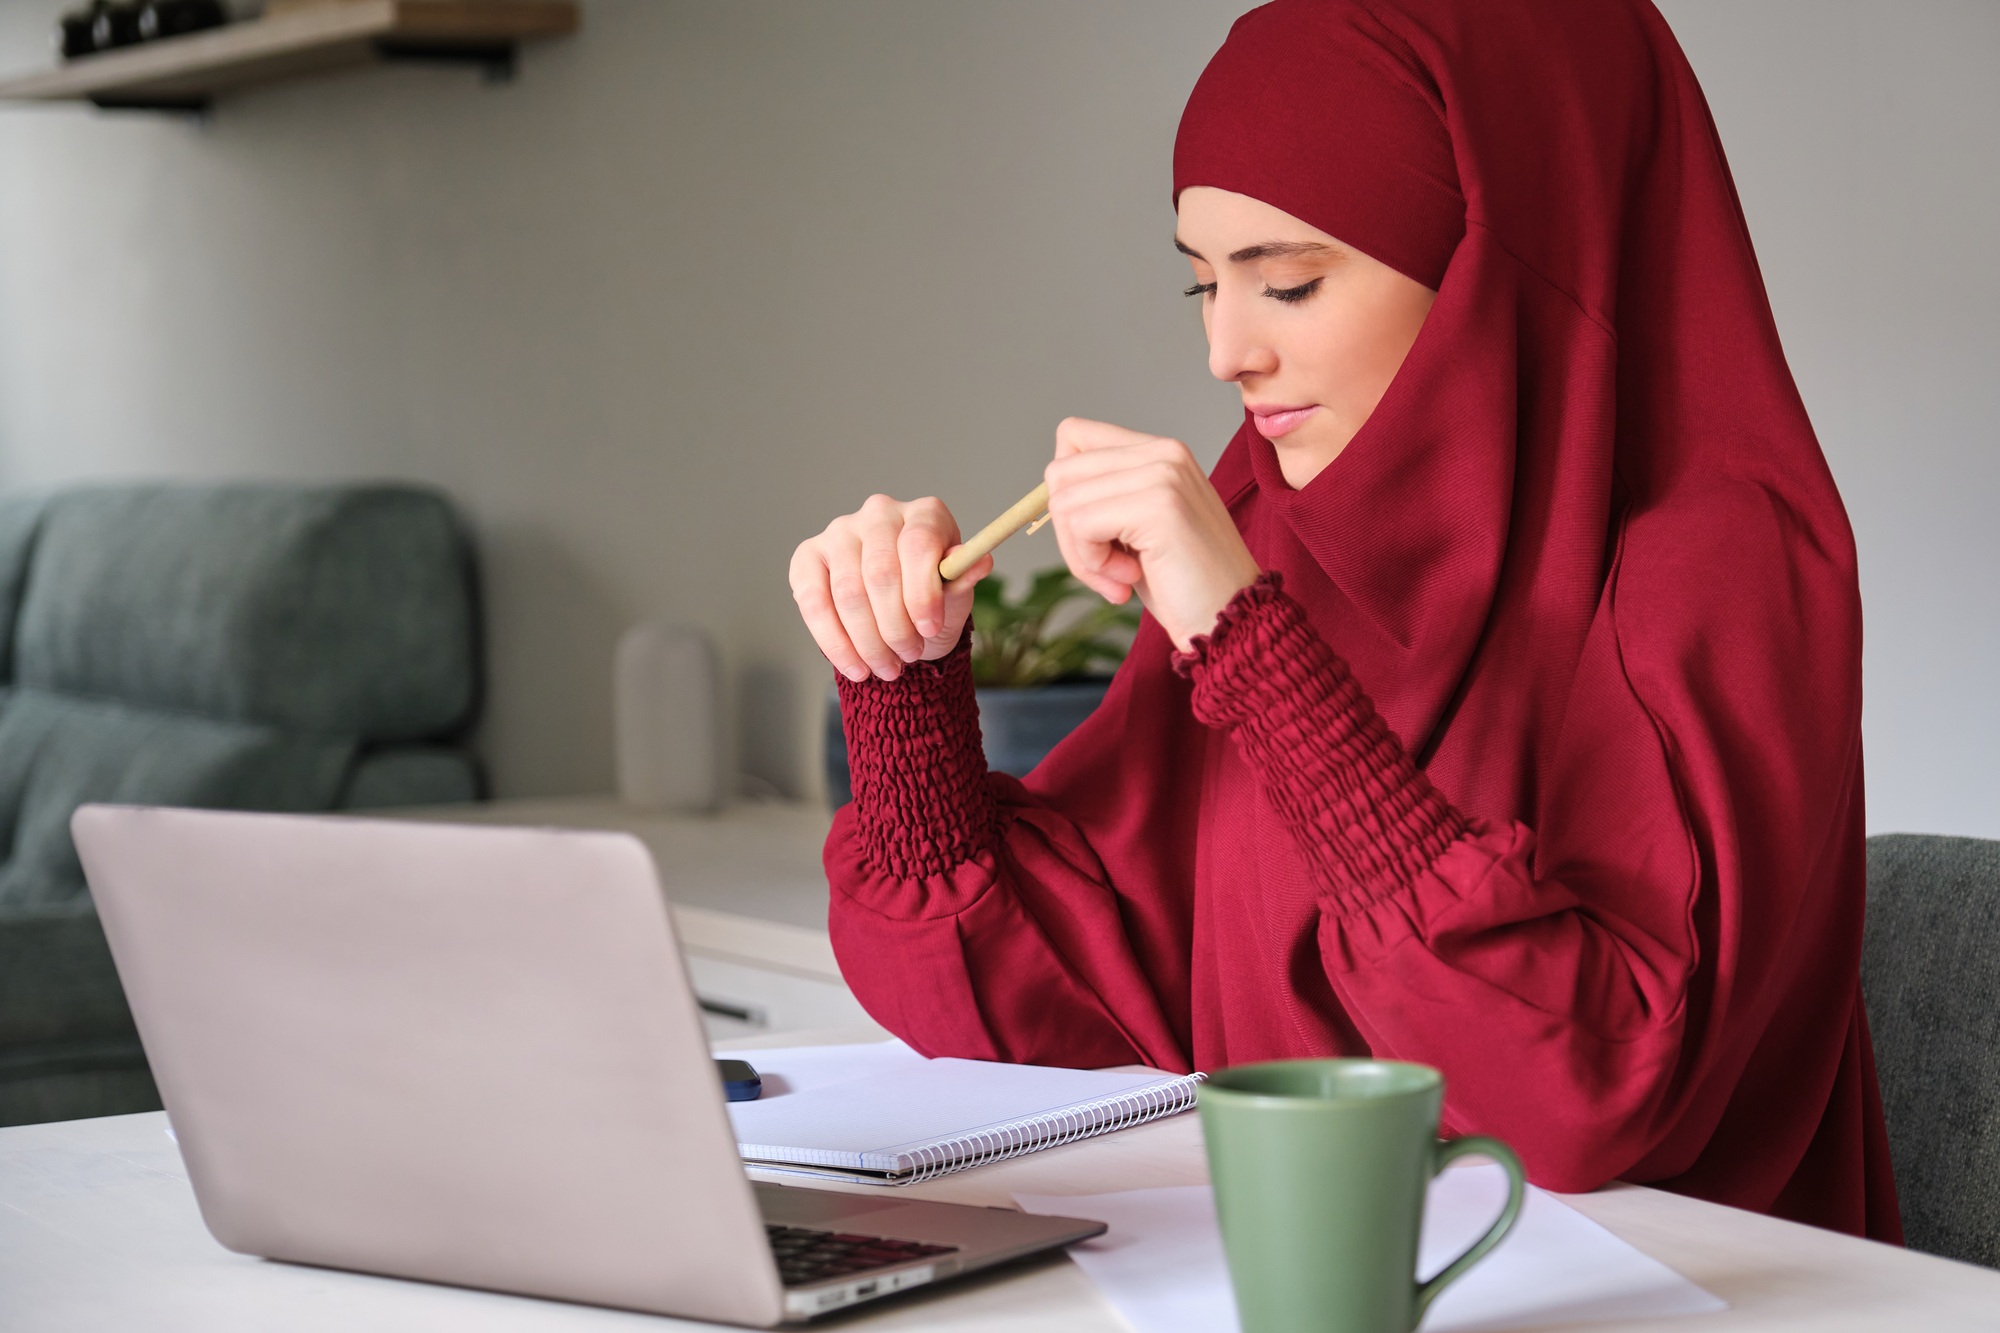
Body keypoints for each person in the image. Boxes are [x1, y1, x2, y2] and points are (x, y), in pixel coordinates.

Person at [788, 0, 1901, 1241]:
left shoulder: (1730, 564)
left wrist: (1252, 648)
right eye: (1201, 283)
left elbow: (1571, 1101)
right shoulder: (1266, 523)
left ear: (1502, 262)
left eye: (1289, 282)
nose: (1225, 350)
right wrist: (901, 678)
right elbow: (1055, 1005)